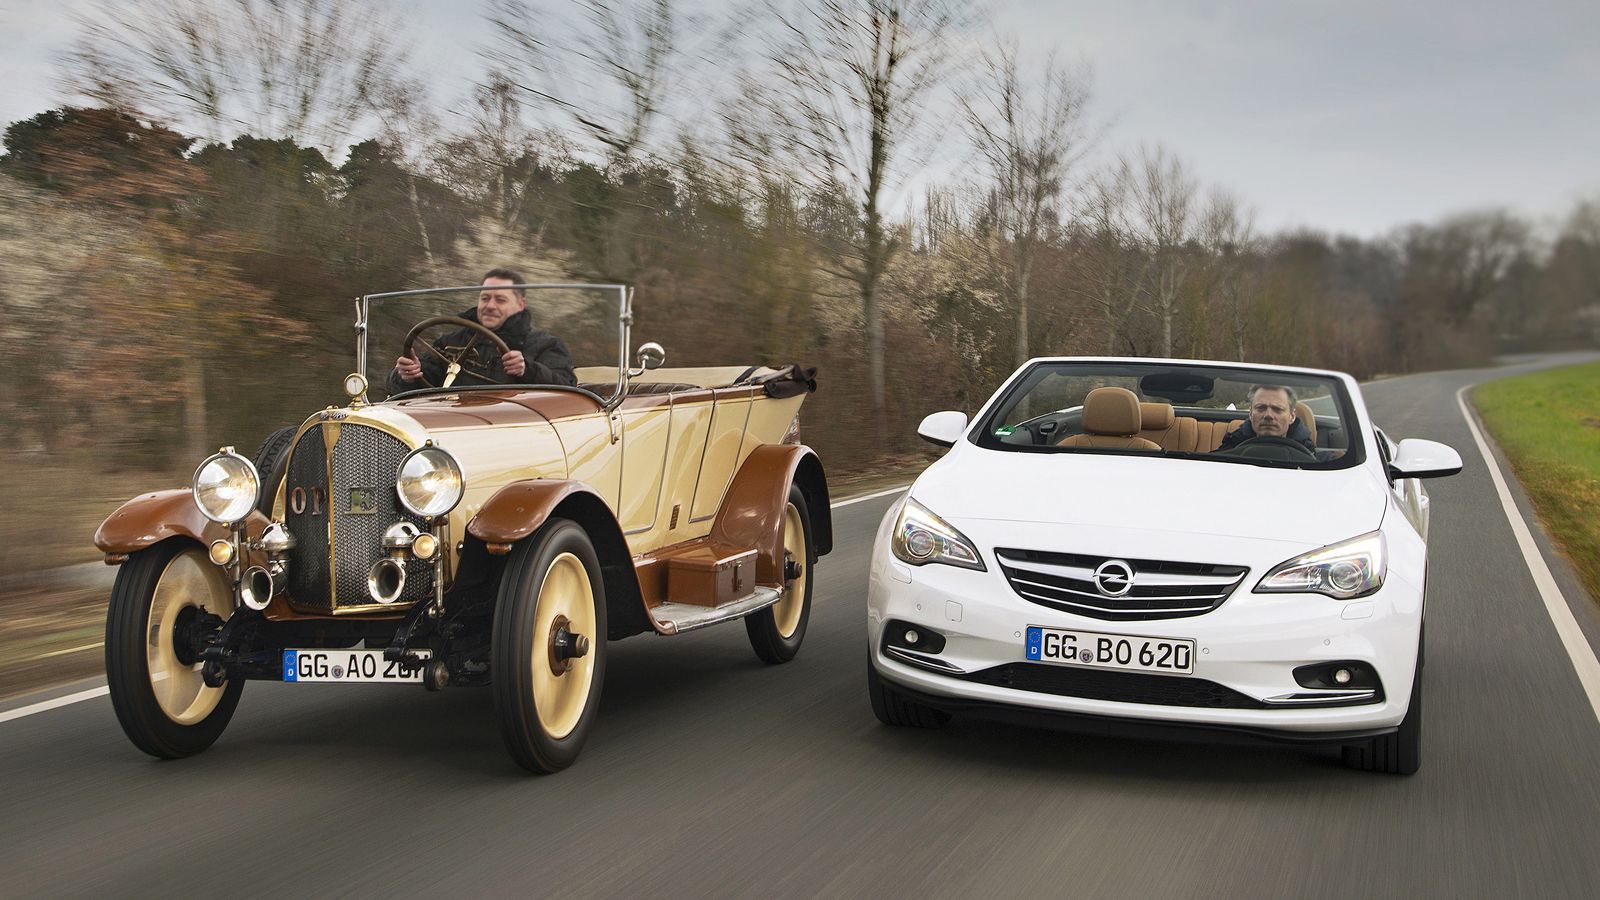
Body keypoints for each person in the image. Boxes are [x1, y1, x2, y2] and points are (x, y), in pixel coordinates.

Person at [388, 268, 577, 393]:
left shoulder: (545, 345)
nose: (490, 306)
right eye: (485, 298)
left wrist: (526, 369)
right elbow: (410, 386)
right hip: (449, 424)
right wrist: (407, 375)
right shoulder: (451, 342)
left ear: (520, 304)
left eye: (500, 300)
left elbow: (568, 389)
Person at [1216, 384, 1315, 452]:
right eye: (1261, 408)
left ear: (1292, 416)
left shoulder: (1316, 462)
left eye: (1277, 409)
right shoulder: (1230, 447)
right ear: (1250, 413)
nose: (1268, 415)